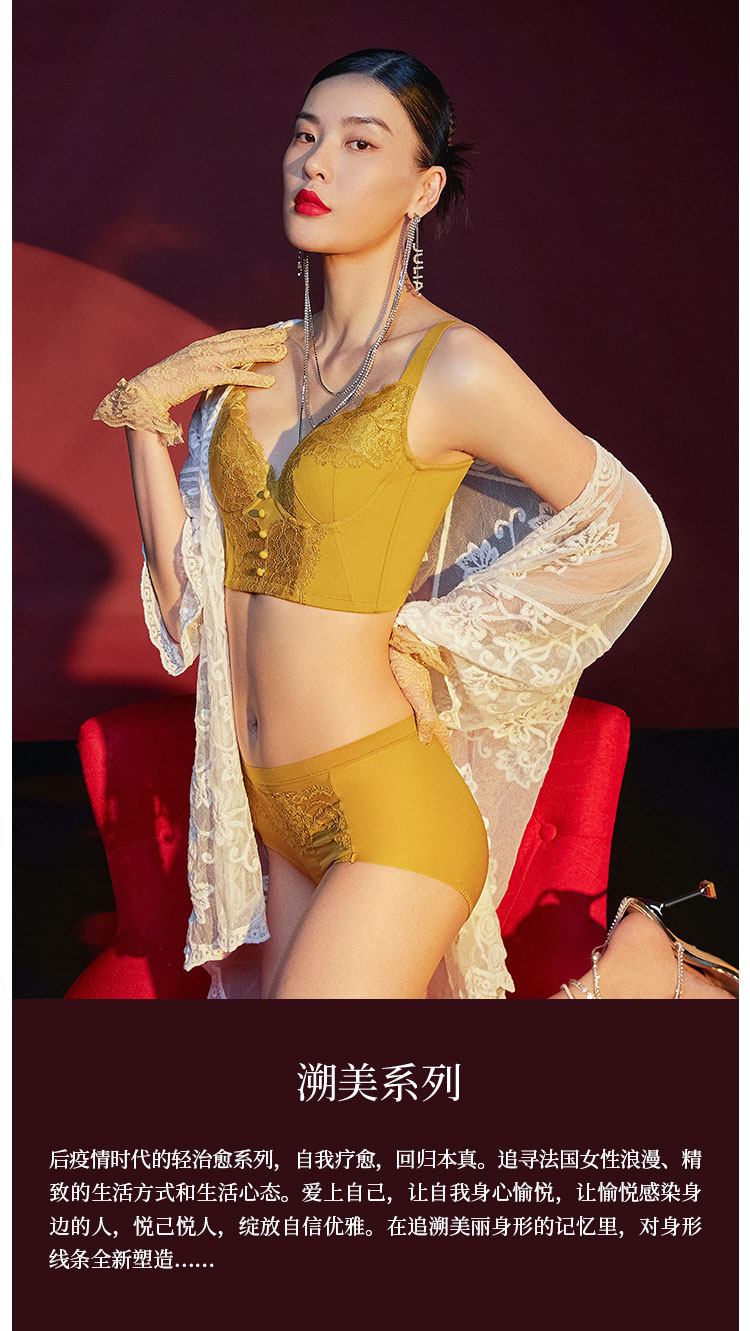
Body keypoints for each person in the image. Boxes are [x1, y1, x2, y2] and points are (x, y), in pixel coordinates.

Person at [93, 49, 736, 1002]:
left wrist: (433, 643)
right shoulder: (249, 372)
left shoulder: (454, 364)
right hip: (278, 810)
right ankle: (632, 983)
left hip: (391, 805)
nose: (315, 162)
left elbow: (631, 530)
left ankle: (636, 980)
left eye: (360, 143)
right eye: (305, 136)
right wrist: (147, 419)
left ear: (422, 189)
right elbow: (188, 608)